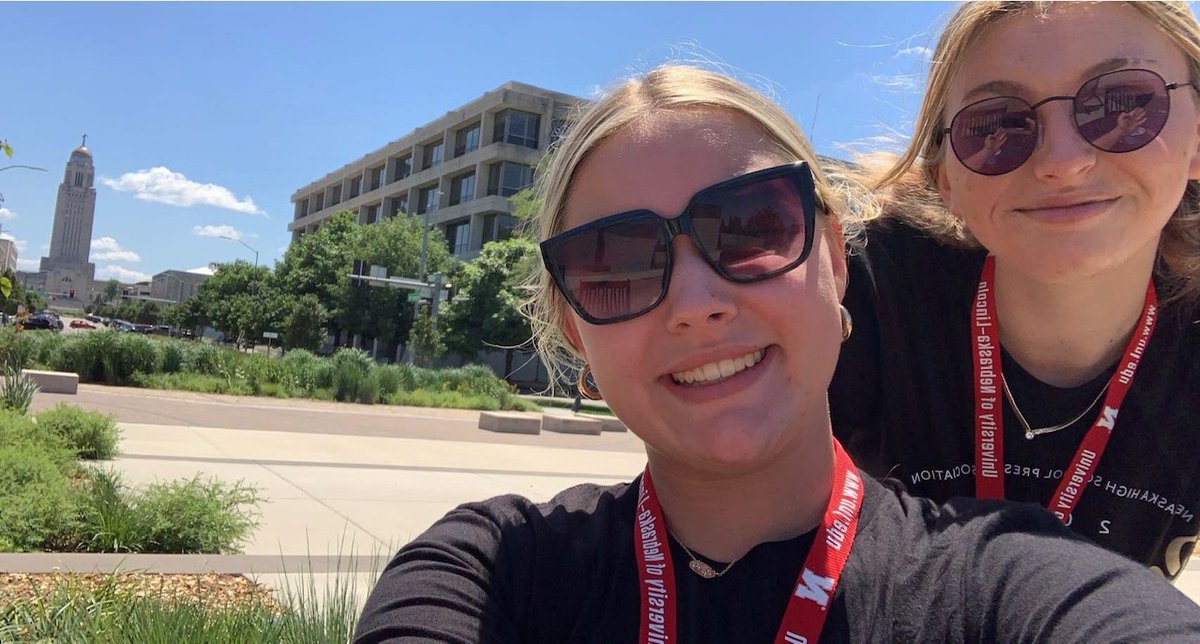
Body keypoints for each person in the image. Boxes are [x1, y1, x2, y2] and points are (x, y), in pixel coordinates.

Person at [355, 65, 1200, 643]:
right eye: (614, 262)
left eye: (753, 228)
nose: (697, 302)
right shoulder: (494, 570)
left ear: (835, 261)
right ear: (576, 330)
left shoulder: (999, 580)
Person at [829, 0, 1200, 579]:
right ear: (944, 177)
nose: (1062, 161)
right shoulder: (858, 297)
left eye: (1125, 105)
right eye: (996, 125)